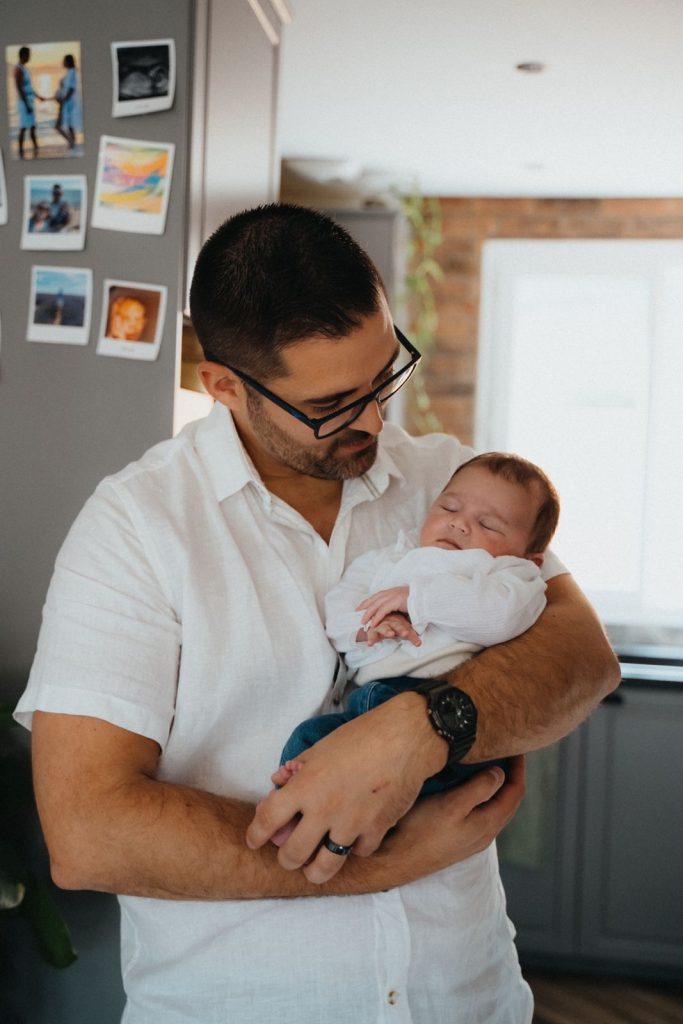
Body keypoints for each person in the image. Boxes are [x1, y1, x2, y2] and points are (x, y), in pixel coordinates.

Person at [15, 204, 619, 1024]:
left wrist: (419, 728)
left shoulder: (448, 478)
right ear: (222, 385)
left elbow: (583, 659)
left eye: (383, 376)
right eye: (334, 403)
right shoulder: (135, 527)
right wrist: (387, 859)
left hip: (469, 1002)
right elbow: (90, 834)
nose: (374, 419)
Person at [270, 451, 560, 848]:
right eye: (449, 507)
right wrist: (368, 625)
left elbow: (502, 617)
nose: (460, 523)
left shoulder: (510, 576)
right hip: (366, 704)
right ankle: (293, 810)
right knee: (310, 739)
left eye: (488, 524)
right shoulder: (388, 560)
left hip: (446, 712)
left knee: (425, 785)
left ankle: (369, 827)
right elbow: (339, 611)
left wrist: (417, 600)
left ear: (530, 556)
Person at [14, 46, 44, 159]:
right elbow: (19, 88)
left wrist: (37, 96)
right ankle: (21, 151)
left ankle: (36, 148)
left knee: (32, 126)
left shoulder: (24, 68)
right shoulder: (18, 69)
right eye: (28, 55)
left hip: (29, 100)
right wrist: (26, 104)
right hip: (24, 102)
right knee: (23, 127)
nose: (29, 57)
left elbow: (29, 87)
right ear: (24, 55)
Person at [54, 54, 78, 151]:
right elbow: (66, 88)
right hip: (67, 102)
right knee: (69, 125)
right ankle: (72, 144)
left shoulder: (72, 73)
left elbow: (71, 89)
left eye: (64, 61)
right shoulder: (70, 73)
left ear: (68, 62)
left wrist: (63, 100)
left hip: (67, 103)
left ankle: (71, 143)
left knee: (59, 126)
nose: (62, 62)